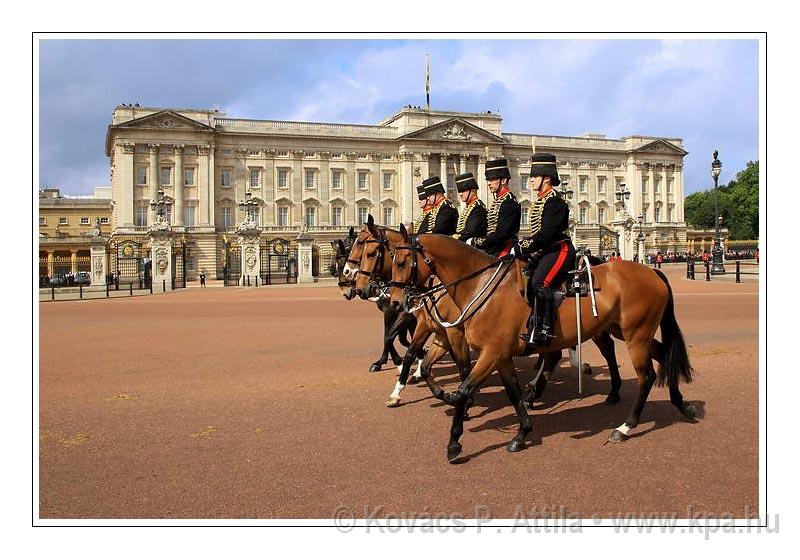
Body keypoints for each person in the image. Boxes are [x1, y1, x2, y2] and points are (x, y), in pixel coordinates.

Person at [512, 153, 576, 348]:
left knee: (541, 282)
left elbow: (548, 233)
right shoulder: (540, 201)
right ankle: (535, 321)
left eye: (534, 177)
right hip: (546, 250)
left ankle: (546, 329)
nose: (530, 180)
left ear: (546, 178)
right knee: (528, 282)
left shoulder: (555, 201)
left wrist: (521, 247)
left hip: (560, 249)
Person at [472, 158, 521, 257]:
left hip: (505, 247)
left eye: (492, 179)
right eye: (488, 180)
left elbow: (502, 233)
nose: (489, 183)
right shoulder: (498, 200)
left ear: (503, 180)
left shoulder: (509, 202)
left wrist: (477, 242)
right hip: (494, 246)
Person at [452, 172, 488, 243]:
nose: (460, 194)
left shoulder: (478, 208)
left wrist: (452, 239)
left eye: (463, 191)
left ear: (473, 191)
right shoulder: (469, 207)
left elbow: (470, 231)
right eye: (460, 191)